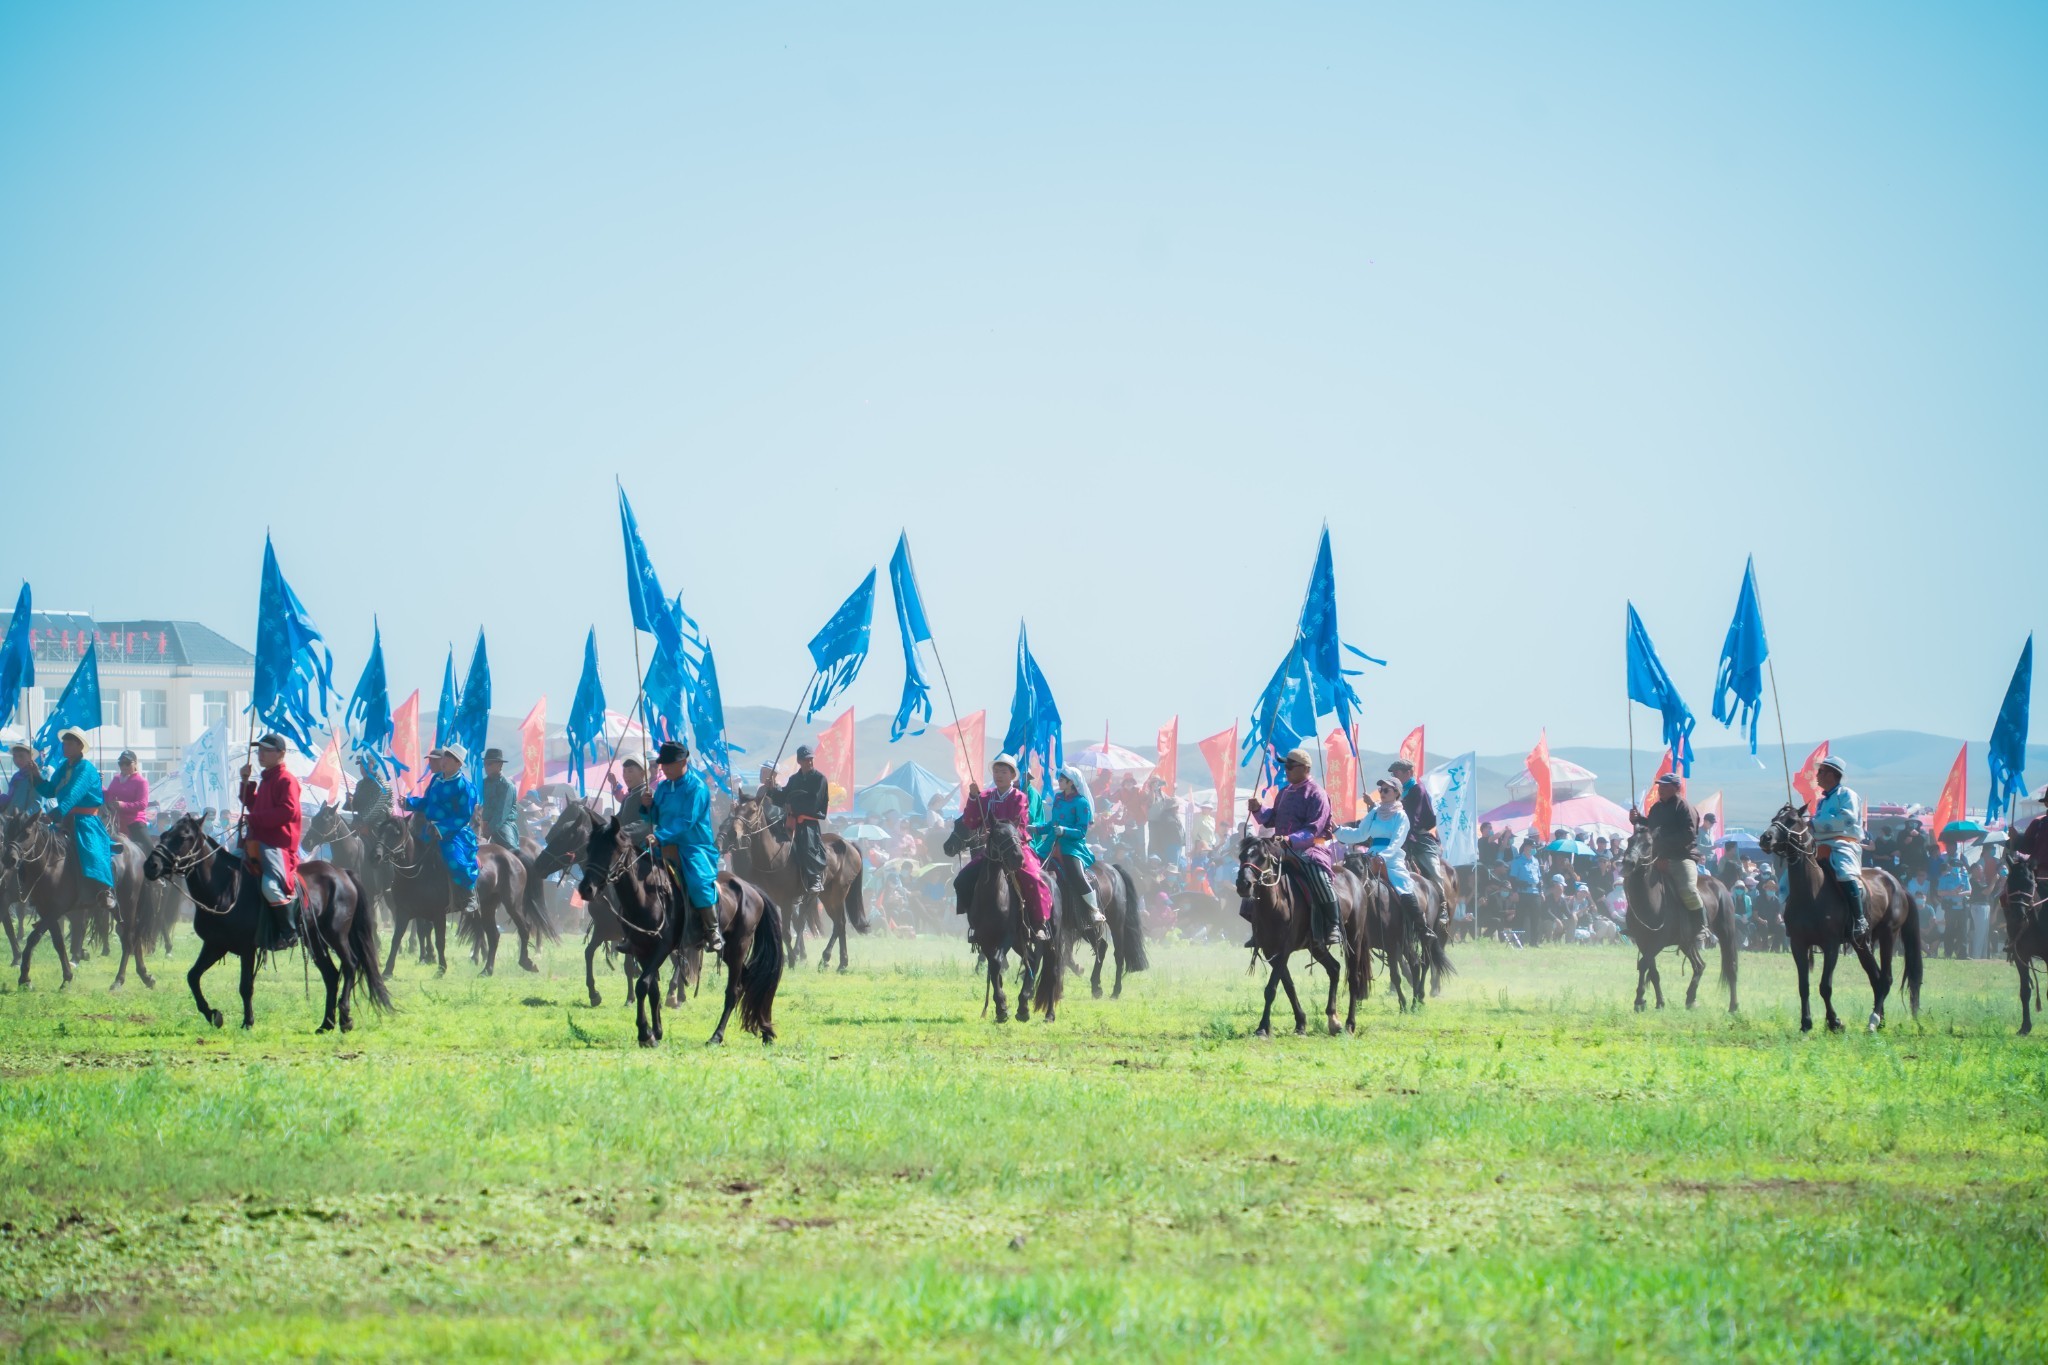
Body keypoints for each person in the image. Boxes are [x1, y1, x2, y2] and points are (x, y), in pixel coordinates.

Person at [1246, 748, 1340, 947]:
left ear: (1305, 768)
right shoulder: (1284, 793)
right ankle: (1256, 925)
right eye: (1285, 766)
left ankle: (1334, 924)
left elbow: (1314, 829)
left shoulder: (1318, 794)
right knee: (1254, 869)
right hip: (1281, 848)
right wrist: (1257, 808)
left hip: (1310, 850)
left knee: (1318, 877)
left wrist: (1289, 839)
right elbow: (1270, 819)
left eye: (1290, 766)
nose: (1285, 770)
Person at [955, 754, 1054, 939]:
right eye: (996, 771)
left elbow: (1020, 826)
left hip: (1015, 848)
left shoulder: (1020, 798)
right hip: (991, 851)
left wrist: (1000, 835)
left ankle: (1040, 924)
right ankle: (975, 922)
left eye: (1003, 771)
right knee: (962, 879)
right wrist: (973, 798)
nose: (998, 775)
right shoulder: (984, 796)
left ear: (1012, 775)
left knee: (1034, 878)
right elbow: (970, 821)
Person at [636, 740, 721, 954]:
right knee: (635, 868)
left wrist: (660, 835)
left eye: (668, 764)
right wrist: (647, 806)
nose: (663, 768)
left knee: (699, 883)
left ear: (683, 762)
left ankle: (712, 930)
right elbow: (656, 816)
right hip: (662, 842)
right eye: (662, 764)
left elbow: (686, 821)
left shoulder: (698, 788)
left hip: (694, 846)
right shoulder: (663, 787)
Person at [26, 728, 116, 916]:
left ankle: (104, 889)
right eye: (64, 743)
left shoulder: (86, 768)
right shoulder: (64, 766)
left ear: (79, 746)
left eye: (69, 743)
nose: (65, 747)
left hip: (86, 820)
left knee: (91, 849)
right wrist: (36, 775)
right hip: (64, 818)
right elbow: (50, 790)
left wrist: (55, 814)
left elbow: (75, 793)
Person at [239, 732, 304, 950]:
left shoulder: (286, 780)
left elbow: (288, 811)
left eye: (267, 750)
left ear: (281, 754)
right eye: (260, 750)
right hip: (258, 843)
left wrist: (254, 818)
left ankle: (289, 932)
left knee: (269, 886)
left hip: (278, 846)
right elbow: (252, 805)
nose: (261, 754)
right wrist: (245, 781)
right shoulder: (266, 780)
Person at [405, 744, 480, 921]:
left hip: (453, 833)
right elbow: (426, 802)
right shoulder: (437, 778)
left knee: (455, 861)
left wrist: (442, 828)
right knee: (409, 851)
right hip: (429, 829)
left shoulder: (465, 787)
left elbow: (463, 816)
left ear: (458, 763)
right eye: (444, 756)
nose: (443, 761)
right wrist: (409, 803)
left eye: (448, 758)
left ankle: (469, 895)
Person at [1630, 773, 1707, 940]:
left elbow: (1688, 835)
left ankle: (1701, 927)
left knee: (1688, 890)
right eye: (1659, 785)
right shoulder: (1656, 808)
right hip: (1658, 857)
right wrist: (1638, 820)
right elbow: (1651, 828)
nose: (1661, 789)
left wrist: (1662, 846)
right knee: (1636, 881)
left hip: (1681, 857)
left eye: (1665, 786)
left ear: (1676, 787)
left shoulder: (1684, 807)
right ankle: (1636, 925)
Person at [1357, 776, 1435, 940]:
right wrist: (1337, 830)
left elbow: (1397, 841)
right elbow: (1359, 833)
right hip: (1371, 854)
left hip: (1391, 856)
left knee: (1402, 883)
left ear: (1396, 793)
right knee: (1352, 876)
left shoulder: (1401, 816)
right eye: (1381, 790)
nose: (1382, 793)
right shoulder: (1374, 813)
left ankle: (1422, 927)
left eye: (1386, 790)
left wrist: (1383, 856)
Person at [1033, 765, 1107, 928]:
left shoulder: (1082, 803)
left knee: (1077, 874)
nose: (1059, 781)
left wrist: (1064, 831)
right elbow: (1052, 823)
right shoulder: (1058, 798)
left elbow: (1081, 831)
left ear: (1071, 782)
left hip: (1072, 847)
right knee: (1032, 868)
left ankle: (1094, 910)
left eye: (1062, 779)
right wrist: (1036, 828)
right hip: (1050, 844)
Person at [1810, 755, 1869, 941]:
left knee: (1844, 871)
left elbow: (1848, 819)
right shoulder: (1822, 801)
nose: (1817, 775)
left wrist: (1816, 824)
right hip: (1820, 844)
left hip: (1842, 842)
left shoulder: (1847, 795)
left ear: (1832, 775)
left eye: (1821, 771)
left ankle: (1860, 919)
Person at [779, 744, 831, 905]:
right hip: (791, 819)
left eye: (811, 759)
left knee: (807, 845)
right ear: (799, 761)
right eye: (806, 760)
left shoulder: (819, 779)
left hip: (808, 821)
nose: (809, 762)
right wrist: (772, 788)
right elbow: (783, 796)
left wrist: (793, 806)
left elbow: (814, 803)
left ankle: (814, 879)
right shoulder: (794, 779)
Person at [1387, 757, 1446, 897]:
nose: (1394, 777)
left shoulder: (1417, 790)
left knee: (1433, 869)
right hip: (1397, 836)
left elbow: (1414, 818)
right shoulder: (1395, 793)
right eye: (1392, 774)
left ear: (1408, 773)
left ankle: (1442, 902)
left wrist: (1404, 837)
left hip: (1417, 837)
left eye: (1396, 773)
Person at [477, 748, 520, 849]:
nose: (486, 767)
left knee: (511, 849)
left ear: (499, 765)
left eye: (489, 764)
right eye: (485, 764)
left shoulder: (507, 785)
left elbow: (502, 813)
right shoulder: (482, 783)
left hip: (503, 824)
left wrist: (489, 829)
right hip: (482, 824)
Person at [105, 750, 151, 844]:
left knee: (149, 850)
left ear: (135, 763)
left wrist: (123, 805)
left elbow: (142, 804)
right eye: (121, 763)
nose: (124, 766)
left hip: (134, 822)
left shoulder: (141, 781)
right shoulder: (116, 779)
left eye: (127, 763)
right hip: (115, 822)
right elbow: (108, 796)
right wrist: (98, 783)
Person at [6, 739, 43, 815]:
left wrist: (25, 816)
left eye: (21, 756)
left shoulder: (35, 776)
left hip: (29, 822)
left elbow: (37, 803)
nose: (17, 760)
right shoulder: (15, 777)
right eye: (15, 756)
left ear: (30, 757)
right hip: (12, 820)